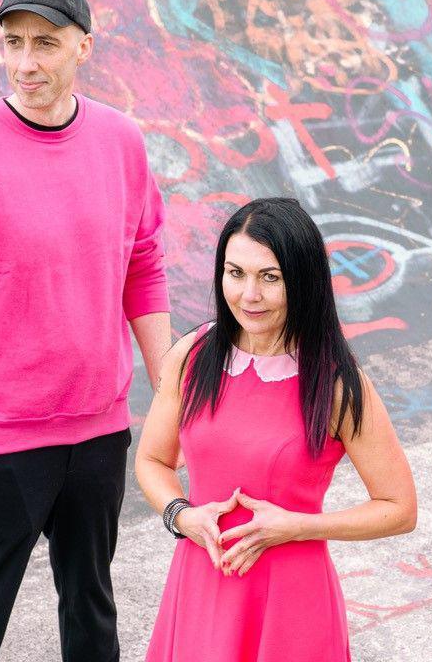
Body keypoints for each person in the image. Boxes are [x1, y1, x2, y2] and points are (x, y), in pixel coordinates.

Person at [0, 0, 170, 662]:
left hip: (100, 431)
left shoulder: (121, 142)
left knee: (92, 612)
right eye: (12, 43)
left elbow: (143, 268)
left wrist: (170, 397)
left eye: (46, 43)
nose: (26, 62)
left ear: (84, 47)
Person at [135, 197, 417, 662]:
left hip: (292, 599)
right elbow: (153, 460)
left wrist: (295, 527)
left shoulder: (336, 382)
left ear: (302, 281)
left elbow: (399, 508)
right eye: (236, 273)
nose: (249, 295)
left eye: (270, 277)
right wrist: (182, 515)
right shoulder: (192, 354)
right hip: (202, 583)